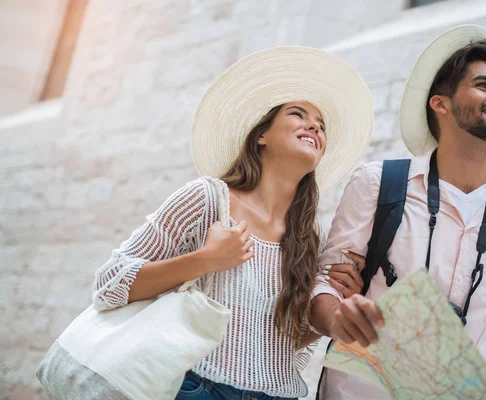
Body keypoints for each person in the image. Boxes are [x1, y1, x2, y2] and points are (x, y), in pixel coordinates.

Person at [92, 46, 373, 400]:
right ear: (261, 135)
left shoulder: (306, 237)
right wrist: (205, 260)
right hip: (197, 388)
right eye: (298, 114)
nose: (314, 126)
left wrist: (334, 307)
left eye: (320, 125)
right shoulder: (208, 200)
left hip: (277, 394)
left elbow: (279, 340)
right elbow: (108, 284)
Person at [310, 25, 486, 399]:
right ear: (440, 104)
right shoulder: (377, 184)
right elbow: (326, 287)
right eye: (484, 85)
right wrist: (337, 319)